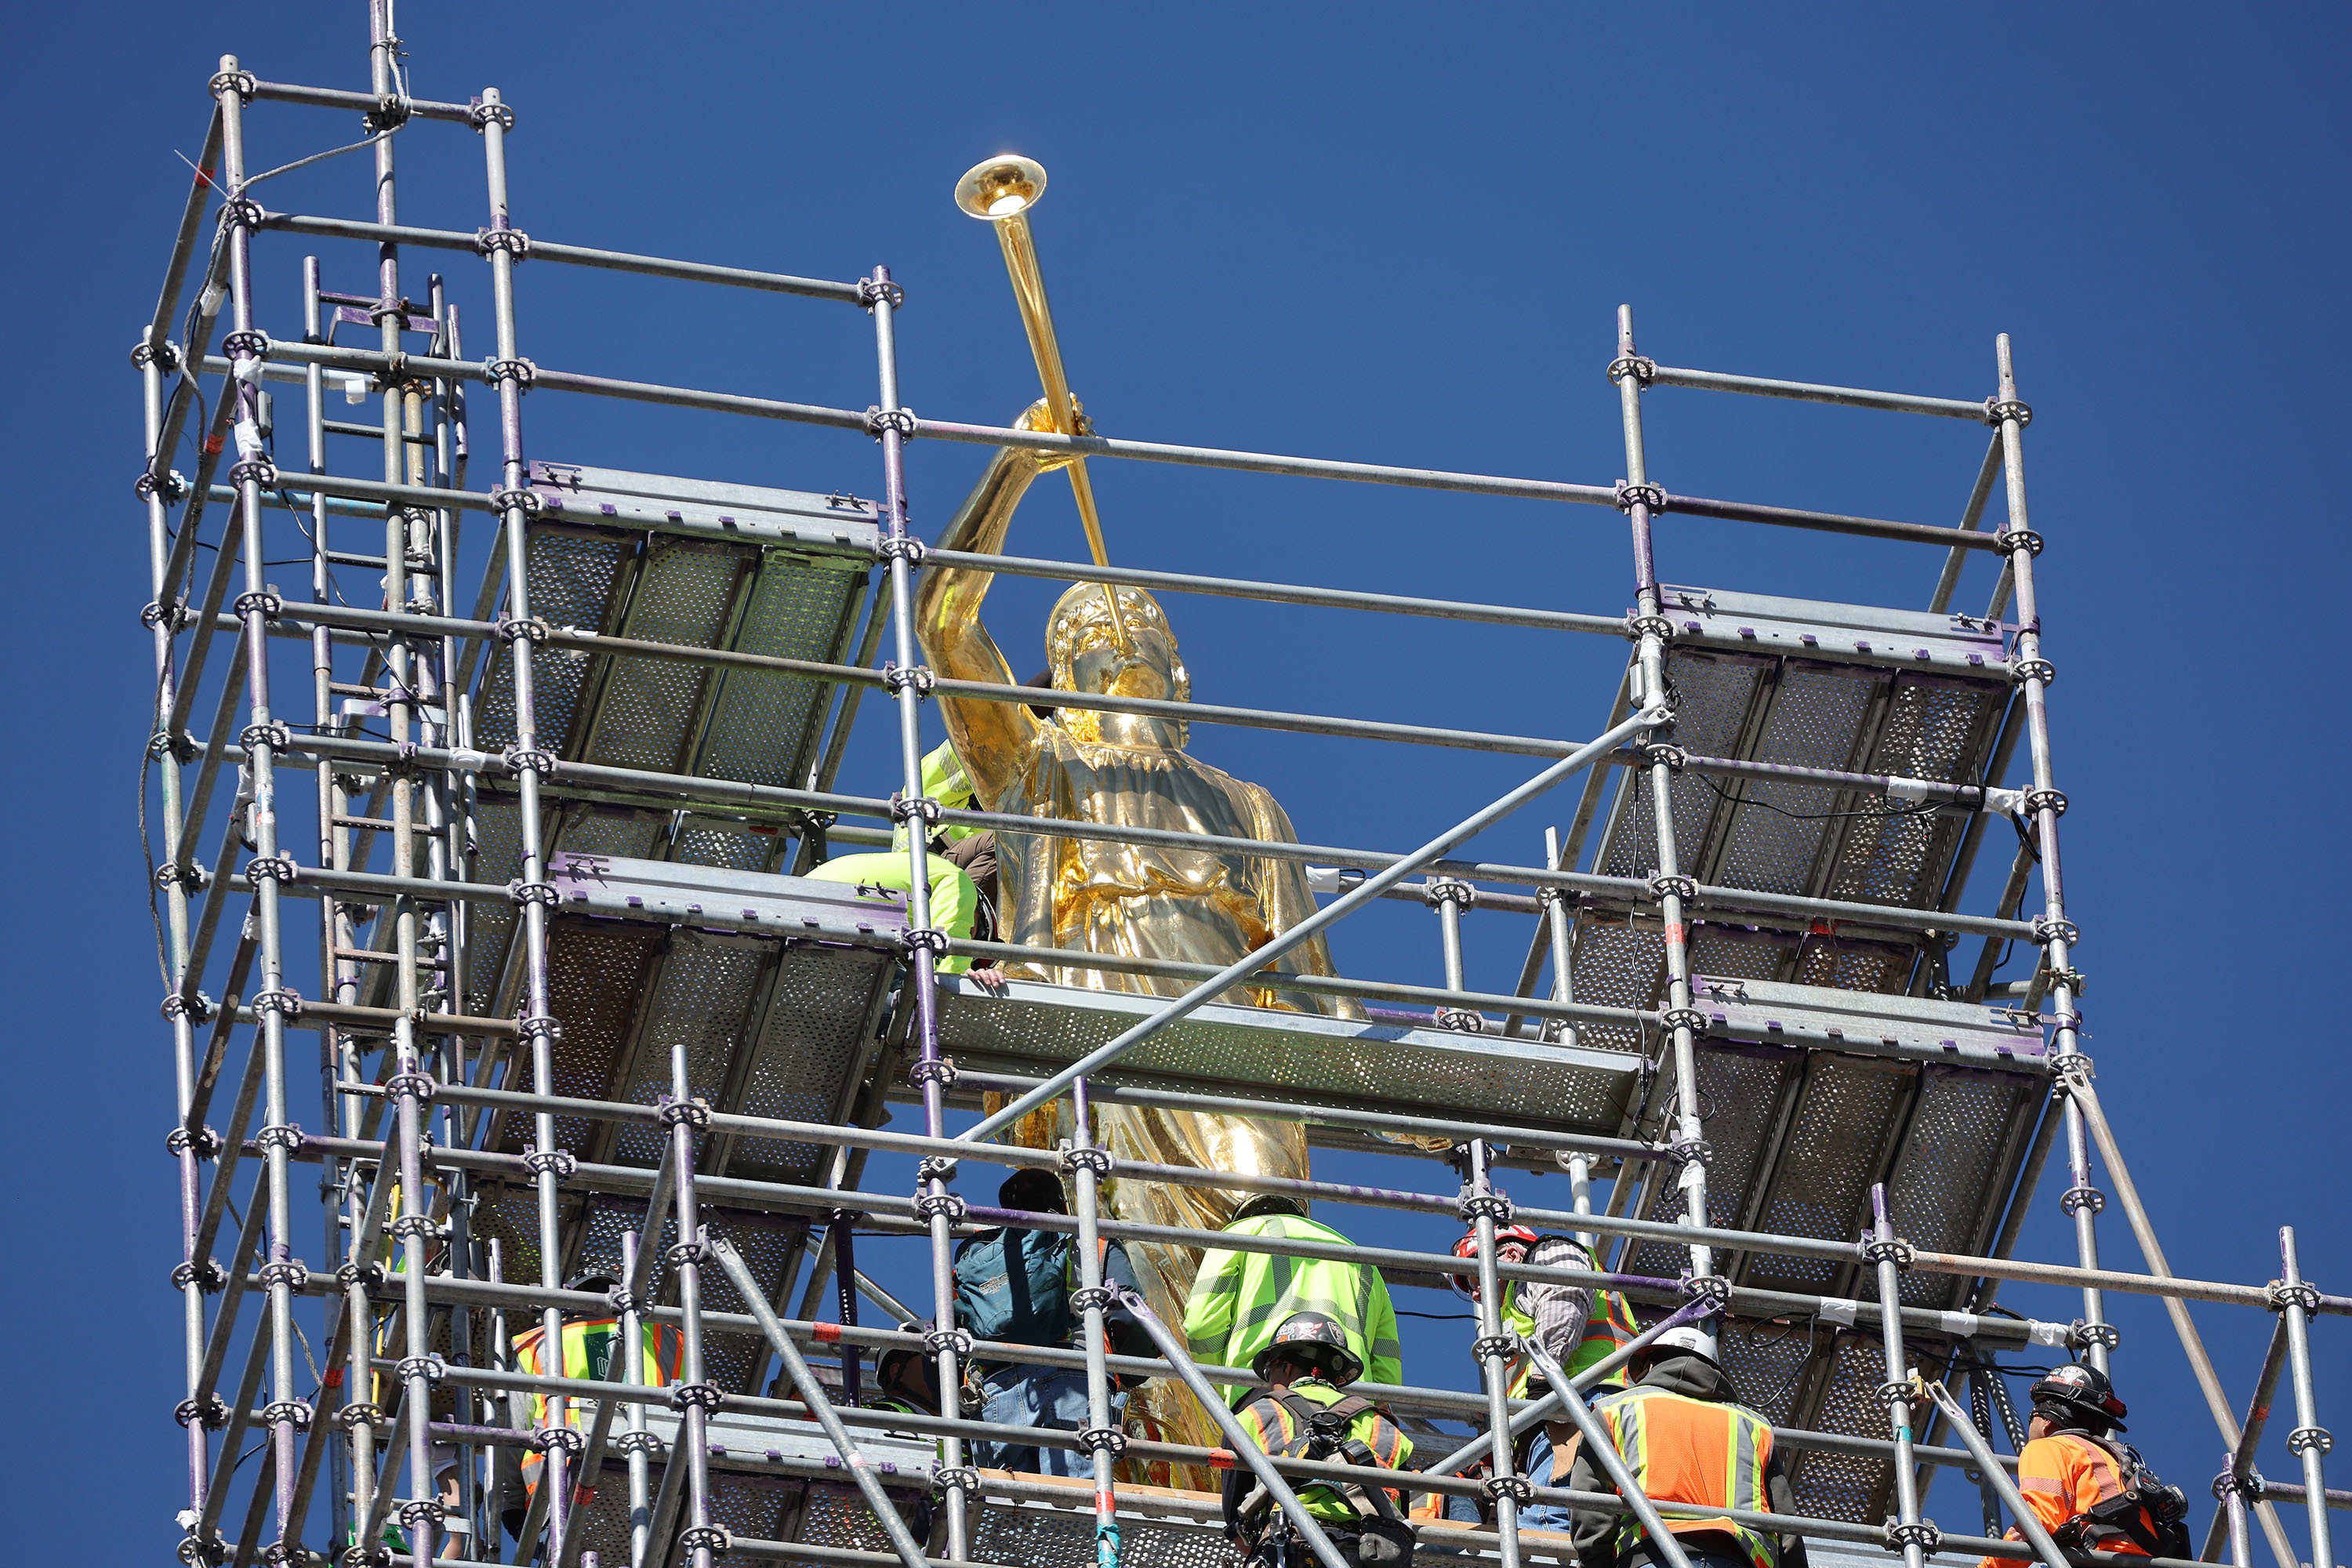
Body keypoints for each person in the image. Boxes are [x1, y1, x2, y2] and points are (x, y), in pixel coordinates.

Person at [916, 399, 1364, 1482]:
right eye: (1085, 640)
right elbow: (942, 623)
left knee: (1263, 1232)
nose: (1119, 645)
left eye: (1143, 636)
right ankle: (1184, 1479)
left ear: (1182, 673)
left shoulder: (1248, 804)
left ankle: (1267, 1458)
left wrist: (1421, 1087)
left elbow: (1313, 985)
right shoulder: (1039, 770)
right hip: (1105, 1040)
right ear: (1060, 679)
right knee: (1139, 1280)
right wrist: (1016, 467)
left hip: (1237, 1054)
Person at [1445, 1223, 1641, 1533]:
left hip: (1582, 1403)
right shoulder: (1511, 1316)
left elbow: (1564, 1299)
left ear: (1510, 1255)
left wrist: (1540, 1386)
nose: (1477, 1294)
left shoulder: (1546, 1255)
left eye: (1476, 1279)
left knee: (1548, 1525)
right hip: (1572, 1409)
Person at [954, 1167, 1149, 1475]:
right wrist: (1136, 1369)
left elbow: (951, 1341)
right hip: (1071, 1379)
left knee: (1008, 1500)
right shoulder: (1091, 1241)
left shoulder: (973, 1263)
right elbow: (1128, 1315)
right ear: (1061, 1203)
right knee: (1076, 1497)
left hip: (993, 1392)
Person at [1567, 1321, 1807, 1568]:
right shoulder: (1754, 1425)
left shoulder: (1616, 1410)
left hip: (1649, 1554)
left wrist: (1598, 1563)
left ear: (1650, 1366)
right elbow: (1786, 1528)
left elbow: (1591, 1503)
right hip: (1738, 1558)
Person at [503, 1271, 683, 1541]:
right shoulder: (670, 1337)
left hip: (562, 1480)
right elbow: (703, 1415)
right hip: (662, 1472)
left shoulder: (536, 1344)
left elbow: (512, 1433)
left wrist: (510, 1504)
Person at [1226, 1312, 1416, 1568]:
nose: (1269, 1384)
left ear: (1287, 1367)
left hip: (1285, 1548)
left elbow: (1236, 1522)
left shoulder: (1254, 1416)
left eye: (1269, 1372)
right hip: (1365, 1554)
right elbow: (1397, 1518)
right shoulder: (1385, 1428)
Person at [1185, 1195, 1402, 1410]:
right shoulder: (1364, 1263)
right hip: (1350, 1402)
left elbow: (1202, 1325)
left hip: (1265, 1387)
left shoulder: (1241, 1233)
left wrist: (1225, 1383)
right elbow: (1387, 1379)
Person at [1976, 1364, 2188, 1568]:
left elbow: (2038, 1523)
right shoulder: (2116, 1461)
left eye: (2032, 1415)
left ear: (2046, 1420)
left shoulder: (2048, 1448)